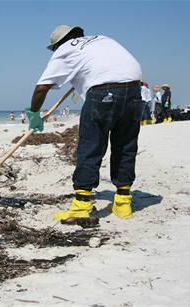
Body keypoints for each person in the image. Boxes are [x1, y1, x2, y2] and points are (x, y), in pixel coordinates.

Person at [25, 25, 143, 221]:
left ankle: (81, 206)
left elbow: (41, 88)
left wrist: (34, 113)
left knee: (91, 147)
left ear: (58, 44)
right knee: (125, 146)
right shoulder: (102, 38)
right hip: (134, 89)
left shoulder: (65, 49)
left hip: (103, 92)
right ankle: (123, 203)